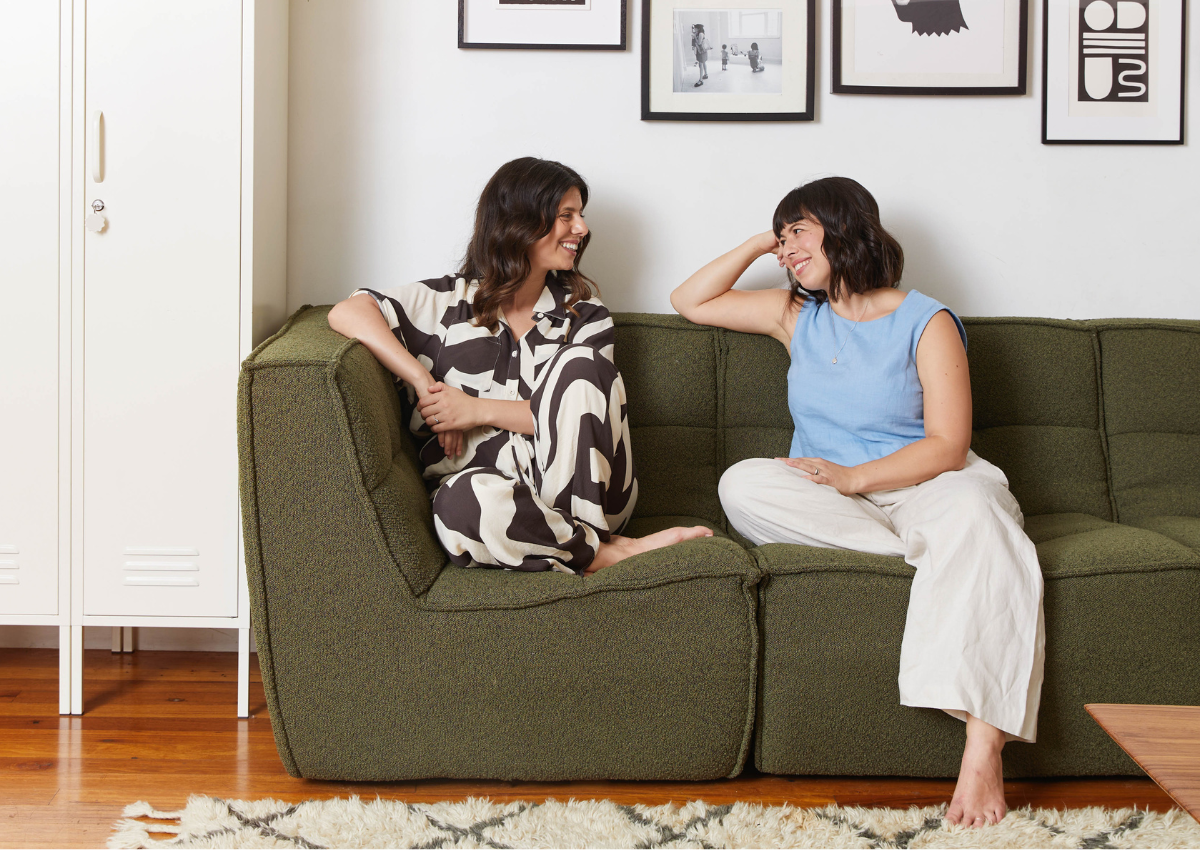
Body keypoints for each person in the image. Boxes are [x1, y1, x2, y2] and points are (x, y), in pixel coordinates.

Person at [669, 177, 1044, 829]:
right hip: (840, 502)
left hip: (929, 485)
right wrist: (768, 242)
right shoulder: (795, 316)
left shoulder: (924, 319)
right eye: (781, 237)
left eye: (799, 231)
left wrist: (854, 477)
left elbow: (949, 445)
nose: (787, 249)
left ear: (845, 226)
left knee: (975, 511)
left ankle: (983, 749)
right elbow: (689, 300)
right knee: (742, 485)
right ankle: (954, 560)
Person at [328, 159, 711, 575]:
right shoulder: (444, 303)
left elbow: (581, 411)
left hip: (590, 492)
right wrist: (425, 383)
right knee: (458, 503)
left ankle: (582, 539)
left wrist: (473, 410)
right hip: (501, 499)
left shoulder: (584, 316)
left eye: (580, 215)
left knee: (581, 365)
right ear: (520, 221)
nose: (581, 229)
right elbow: (349, 312)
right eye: (567, 216)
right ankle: (605, 553)